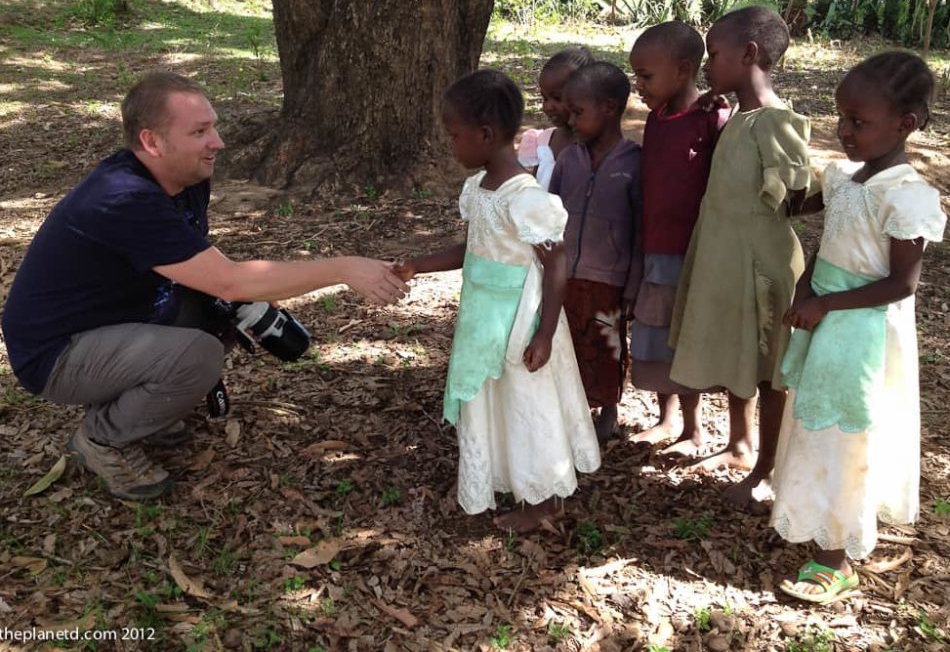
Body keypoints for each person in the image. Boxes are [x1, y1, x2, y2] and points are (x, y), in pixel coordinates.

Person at [1, 71, 407, 501]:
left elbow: (206, 272)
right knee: (199, 354)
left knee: (221, 316)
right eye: (200, 131)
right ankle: (101, 439)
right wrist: (344, 268)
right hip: (55, 354)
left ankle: (139, 407)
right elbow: (230, 280)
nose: (218, 142)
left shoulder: (185, 179)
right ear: (152, 142)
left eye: (214, 126)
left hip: (116, 318)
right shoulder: (124, 198)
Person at [770, 52, 945, 604]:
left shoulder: (906, 195)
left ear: (905, 125)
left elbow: (901, 285)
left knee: (848, 434)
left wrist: (826, 305)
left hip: (863, 332)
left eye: (858, 122)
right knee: (815, 424)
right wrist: (805, 288)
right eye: (840, 118)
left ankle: (836, 556)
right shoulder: (848, 177)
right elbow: (832, 240)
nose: (844, 132)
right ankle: (814, 521)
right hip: (828, 319)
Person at [395, 69, 601, 532]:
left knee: (528, 403)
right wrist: (418, 264)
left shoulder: (525, 198)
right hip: (482, 317)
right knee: (497, 400)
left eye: (454, 135)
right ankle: (508, 475)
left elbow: (556, 263)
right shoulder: (479, 188)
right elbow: (472, 250)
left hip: (520, 320)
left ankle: (543, 498)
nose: (451, 145)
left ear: (485, 135)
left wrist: (545, 333)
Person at [667, 7, 817, 508]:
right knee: (741, 351)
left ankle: (767, 469)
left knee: (768, 365)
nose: (708, 65)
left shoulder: (776, 121)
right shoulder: (741, 116)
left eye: (714, 55)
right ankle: (739, 443)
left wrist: (829, 189)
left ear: (748, 54)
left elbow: (797, 198)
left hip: (761, 263)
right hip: (725, 254)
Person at [627, 21, 729, 458]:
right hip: (654, 247)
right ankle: (665, 417)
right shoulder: (656, 119)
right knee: (652, 331)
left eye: (646, 76)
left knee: (681, 336)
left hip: (690, 251)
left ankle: (693, 427)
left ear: (684, 70)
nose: (639, 85)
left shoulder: (711, 118)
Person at [549, 62, 642, 444]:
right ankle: (567, 409)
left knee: (606, 344)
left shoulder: (634, 163)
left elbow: (640, 228)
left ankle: (608, 412)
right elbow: (550, 215)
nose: (570, 120)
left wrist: (634, 280)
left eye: (577, 112)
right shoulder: (568, 159)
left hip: (609, 277)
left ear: (609, 108)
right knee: (566, 342)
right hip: (564, 274)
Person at [518, 47, 595, 190]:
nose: (547, 107)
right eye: (545, 98)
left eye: (557, 98)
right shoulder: (541, 142)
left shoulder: (595, 147)